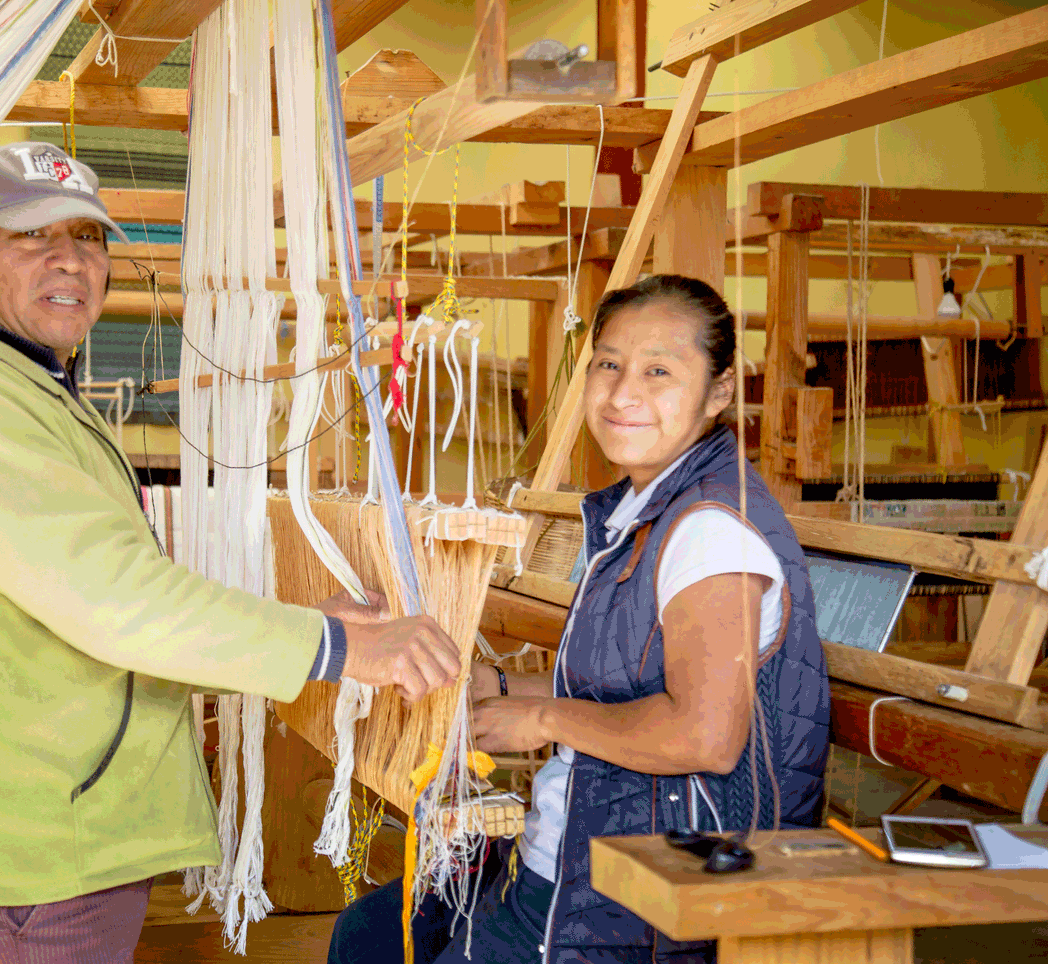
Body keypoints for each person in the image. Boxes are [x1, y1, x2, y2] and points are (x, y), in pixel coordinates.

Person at [0, 143, 462, 964]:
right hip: (24, 864)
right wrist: (337, 646)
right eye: (31, 237)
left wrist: (304, 625)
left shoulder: (25, 393)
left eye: (88, 239)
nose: (71, 260)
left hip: (55, 844)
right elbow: (112, 602)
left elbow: (101, 612)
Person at [329, 275, 830, 964]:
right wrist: (498, 692)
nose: (623, 393)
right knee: (369, 936)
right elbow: (628, 690)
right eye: (607, 364)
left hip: (634, 889)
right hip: (576, 844)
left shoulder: (709, 530)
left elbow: (705, 736)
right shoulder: (641, 515)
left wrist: (542, 720)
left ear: (717, 393)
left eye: (658, 371)